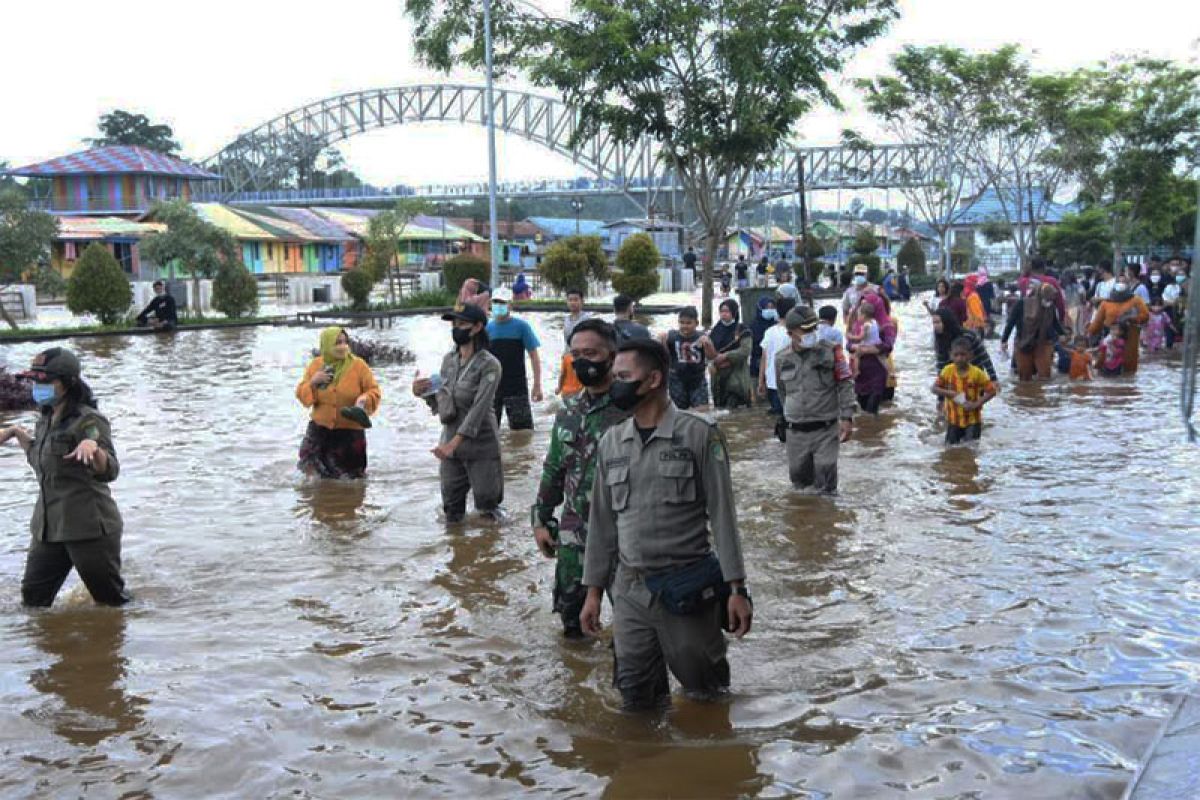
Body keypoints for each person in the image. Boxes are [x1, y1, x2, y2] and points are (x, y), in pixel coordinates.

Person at [579, 338, 752, 711]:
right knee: (636, 699)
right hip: (629, 590)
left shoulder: (699, 434)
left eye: (625, 376)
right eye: (615, 375)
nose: (616, 383)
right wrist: (593, 591)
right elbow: (602, 524)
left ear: (654, 379)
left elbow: (724, 516)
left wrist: (737, 588)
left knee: (707, 695)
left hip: (687, 588)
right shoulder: (612, 442)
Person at [0, 348, 130, 606]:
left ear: (68, 383)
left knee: (111, 603)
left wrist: (94, 450)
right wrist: (16, 433)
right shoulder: (46, 417)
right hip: (49, 529)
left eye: (45, 381)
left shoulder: (88, 420)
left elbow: (109, 469)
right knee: (33, 601)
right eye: (34, 380)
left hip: (88, 529)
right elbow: (44, 461)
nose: (38, 386)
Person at [532, 320, 631, 638]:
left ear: (613, 355)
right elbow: (554, 469)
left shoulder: (634, 408)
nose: (583, 361)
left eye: (591, 352)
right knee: (572, 629)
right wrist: (541, 519)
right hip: (574, 535)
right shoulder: (569, 410)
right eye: (576, 354)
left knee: (633, 629)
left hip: (625, 537)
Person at [413, 304, 504, 522]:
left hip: (481, 446)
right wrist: (422, 393)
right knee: (451, 511)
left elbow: (479, 410)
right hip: (450, 446)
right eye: (454, 324)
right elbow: (443, 402)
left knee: (487, 509)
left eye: (462, 324)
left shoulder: (490, 365)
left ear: (477, 327)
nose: (456, 328)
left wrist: (454, 443)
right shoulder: (449, 360)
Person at [774, 306, 855, 493]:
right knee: (799, 483)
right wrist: (784, 418)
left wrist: (847, 417)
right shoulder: (781, 359)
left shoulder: (831, 352)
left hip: (825, 429)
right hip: (796, 431)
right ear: (791, 333)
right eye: (805, 330)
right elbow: (782, 392)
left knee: (825, 478)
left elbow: (845, 383)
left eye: (813, 329)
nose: (811, 333)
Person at [296, 327, 382, 479]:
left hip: (350, 434)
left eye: (344, 342)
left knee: (350, 481)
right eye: (337, 343)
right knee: (311, 474)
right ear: (326, 345)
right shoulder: (315, 366)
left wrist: (364, 399)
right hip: (319, 431)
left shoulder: (358, 366)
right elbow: (303, 397)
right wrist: (313, 383)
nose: (342, 346)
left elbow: (374, 391)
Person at [487, 287, 543, 430]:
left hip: (516, 386)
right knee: (490, 430)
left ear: (510, 305)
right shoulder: (486, 329)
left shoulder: (522, 327)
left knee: (522, 432)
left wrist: (537, 385)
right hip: (492, 386)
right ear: (491, 304)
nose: (499, 306)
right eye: (496, 302)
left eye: (502, 303)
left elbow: (534, 356)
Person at [932, 337, 998, 445]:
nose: (959, 358)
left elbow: (992, 391)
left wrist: (976, 404)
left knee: (971, 450)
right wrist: (949, 393)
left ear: (970, 355)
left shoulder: (977, 373)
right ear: (951, 355)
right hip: (953, 420)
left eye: (963, 355)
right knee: (950, 449)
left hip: (973, 420)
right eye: (956, 355)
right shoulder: (947, 371)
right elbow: (934, 388)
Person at [1001, 283, 1065, 381]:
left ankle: (1037, 394)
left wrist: (1062, 334)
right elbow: (1011, 322)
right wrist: (1004, 340)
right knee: (1024, 377)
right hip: (1023, 343)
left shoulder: (1050, 307)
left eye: (1051, 299)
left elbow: (1054, 322)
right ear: (1040, 295)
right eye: (1047, 298)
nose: (1049, 301)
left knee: (1045, 376)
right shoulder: (1022, 304)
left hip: (1042, 344)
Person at [1088, 276, 1150, 375]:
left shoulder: (1136, 300)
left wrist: (1132, 318)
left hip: (1130, 334)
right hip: (1111, 334)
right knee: (1108, 358)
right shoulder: (1106, 303)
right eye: (1119, 281)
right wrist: (1090, 332)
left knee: (1129, 363)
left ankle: (1127, 382)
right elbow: (1097, 322)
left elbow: (1145, 316)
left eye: (1123, 281)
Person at [852, 295, 897, 415]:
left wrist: (869, 350)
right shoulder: (856, 323)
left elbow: (889, 344)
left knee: (876, 405)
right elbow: (848, 344)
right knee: (862, 408)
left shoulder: (888, 323)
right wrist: (854, 347)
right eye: (861, 304)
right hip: (862, 372)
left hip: (878, 369)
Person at [660, 306, 710, 411]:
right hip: (677, 379)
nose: (684, 326)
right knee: (679, 412)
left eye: (688, 323)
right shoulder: (671, 336)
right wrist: (662, 342)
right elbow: (664, 358)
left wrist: (708, 344)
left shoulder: (702, 337)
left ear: (696, 323)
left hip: (697, 378)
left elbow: (712, 356)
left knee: (702, 411)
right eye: (682, 323)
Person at [707, 299, 753, 409]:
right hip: (718, 376)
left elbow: (745, 351)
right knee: (720, 407)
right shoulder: (715, 331)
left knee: (735, 405)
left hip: (737, 374)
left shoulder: (743, 330)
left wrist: (726, 356)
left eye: (727, 311)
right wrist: (712, 362)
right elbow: (709, 352)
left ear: (734, 312)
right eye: (721, 311)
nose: (724, 314)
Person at [932, 308, 998, 381]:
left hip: (975, 378)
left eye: (938, 322)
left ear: (946, 322)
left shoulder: (969, 335)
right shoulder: (940, 341)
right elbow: (940, 365)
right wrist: (941, 383)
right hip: (954, 380)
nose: (935, 326)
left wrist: (993, 378)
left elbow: (984, 357)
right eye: (934, 323)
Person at [757, 296, 797, 416]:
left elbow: (764, 359)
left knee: (779, 417)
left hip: (772, 382)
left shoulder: (769, 332)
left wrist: (760, 382)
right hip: (790, 383)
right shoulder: (794, 333)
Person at [846, 302, 880, 377]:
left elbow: (860, 337)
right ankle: (890, 372)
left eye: (858, 315)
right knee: (882, 359)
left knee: (856, 356)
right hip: (876, 343)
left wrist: (850, 336)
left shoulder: (866, 325)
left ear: (863, 316)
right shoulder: (874, 321)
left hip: (867, 345)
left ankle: (856, 371)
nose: (857, 317)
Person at [749, 297, 777, 386]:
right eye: (767, 307)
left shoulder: (778, 325)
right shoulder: (753, 327)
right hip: (757, 367)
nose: (770, 310)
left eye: (772, 308)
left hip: (775, 367)